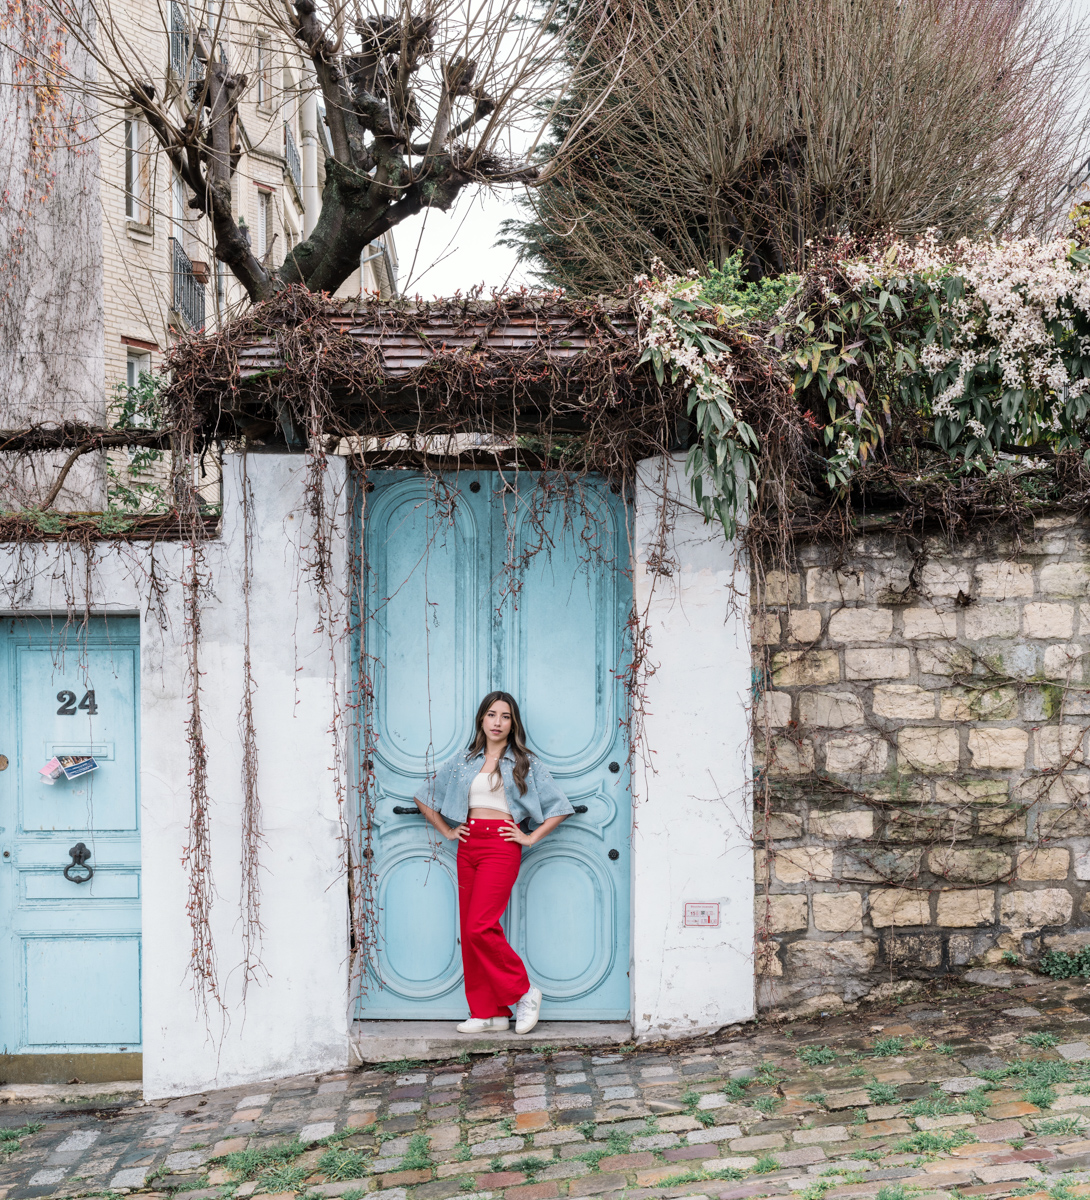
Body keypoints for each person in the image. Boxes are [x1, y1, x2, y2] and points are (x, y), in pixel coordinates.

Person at [414, 691, 573, 1034]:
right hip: (469, 846)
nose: (497, 722)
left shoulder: (524, 763)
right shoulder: (463, 761)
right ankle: (490, 1013)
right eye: (491, 715)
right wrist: (448, 830)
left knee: (479, 926)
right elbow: (425, 797)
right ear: (481, 720)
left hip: (501, 846)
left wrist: (529, 837)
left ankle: (524, 991)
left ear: (513, 723)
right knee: (470, 933)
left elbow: (560, 806)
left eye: (505, 716)